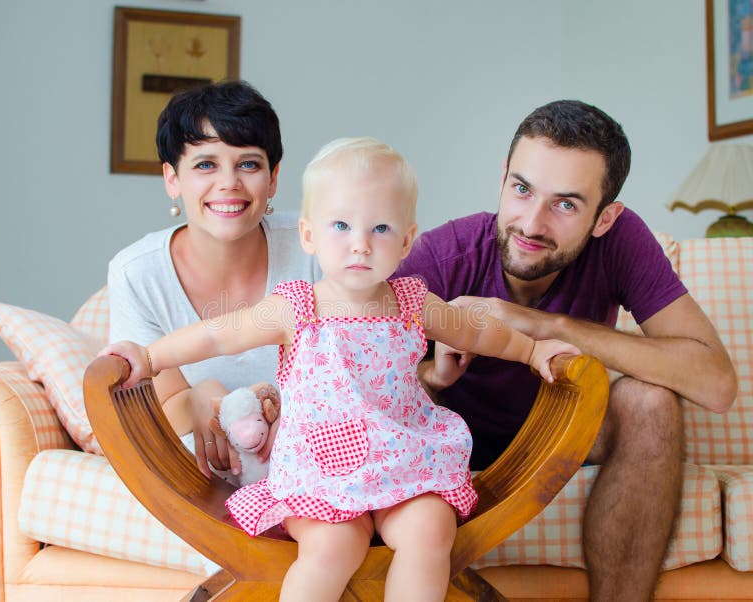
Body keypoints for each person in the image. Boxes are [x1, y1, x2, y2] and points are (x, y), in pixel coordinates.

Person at [101, 137, 579, 602]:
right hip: (320, 471)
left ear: (408, 239)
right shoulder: (296, 308)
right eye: (342, 227)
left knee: (431, 530)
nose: (361, 246)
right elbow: (217, 333)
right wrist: (150, 357)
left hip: (401, 462)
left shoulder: (412, 303)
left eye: (381, 230)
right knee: (333, 546)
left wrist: (532, 351)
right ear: (309, 235)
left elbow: (478, 331)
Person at [394, 100, 738, 602]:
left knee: (649, 402)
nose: (532, 223)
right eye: (522, 189)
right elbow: (351, 382)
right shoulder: (444, 257)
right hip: (454, 441)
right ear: (502, 180)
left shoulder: (621, 243)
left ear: (605, 217)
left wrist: (540, 323)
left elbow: (716, 383)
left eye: (566, 204)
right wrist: (430, 380)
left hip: (568, 431)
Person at [107, 80, 322, 479]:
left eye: (249, 164)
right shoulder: (137, 273)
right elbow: (163, 406)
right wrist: (199, 398)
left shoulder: (318, 244)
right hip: (216, 472)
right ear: (172, 178)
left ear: (273, 178)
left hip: (320, 457)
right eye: (206, 164)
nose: (229, 183)